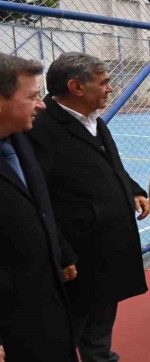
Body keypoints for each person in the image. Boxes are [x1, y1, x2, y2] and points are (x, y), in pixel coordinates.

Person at [26, 53, 150, 362]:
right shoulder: (39, 128)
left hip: (104, 242)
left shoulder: (93, 119)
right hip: (77, 248)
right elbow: (38, 198)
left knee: (103, 307)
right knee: (73, 320)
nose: (110, 88)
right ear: (76, 87)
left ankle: (100, 356)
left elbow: (111, 163)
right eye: (104, 82)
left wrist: (132, 189)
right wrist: (62, 252)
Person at [0, 54, 77, 362]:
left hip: (44, 302)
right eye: (32, 96)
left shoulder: (18, 139)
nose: (41, 104)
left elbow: (39, 202)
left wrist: (61, 252)